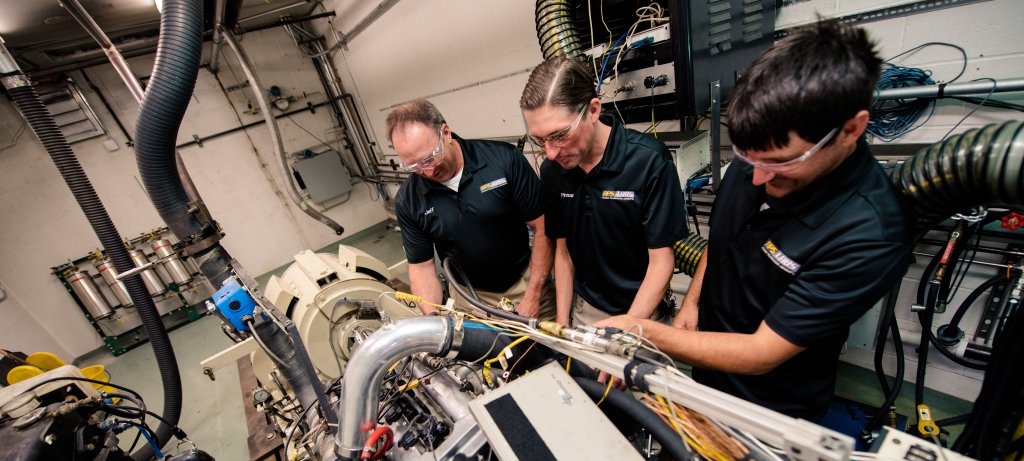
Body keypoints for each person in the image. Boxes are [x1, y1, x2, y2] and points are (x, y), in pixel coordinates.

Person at [595, 20, 913, 421]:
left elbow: (762, 353)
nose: (758, 178)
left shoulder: (871, 232)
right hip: (707, 371)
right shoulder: (760, 156)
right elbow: (724, 239)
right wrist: (692, 301)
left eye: (780, 164)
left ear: (850, 130)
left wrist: (644, 331)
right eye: (748, 158)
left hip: (771, 405)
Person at [520, 57, 688, 327]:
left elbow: (661, 261)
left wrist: (627, 331)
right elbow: (563, 252)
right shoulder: (554, 172)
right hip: (587, 311)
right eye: (540, 140)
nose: (550, 152)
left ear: (594, 110)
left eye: (560, 135)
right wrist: (563, 322)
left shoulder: (648, 161)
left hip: (644, 311)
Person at [389, 99, 555, 319]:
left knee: (551, 350)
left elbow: (543, 227)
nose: (427, 171)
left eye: (430, 157)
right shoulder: (409, 200)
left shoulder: (503, 159)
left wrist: (533, 296)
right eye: (414, 166)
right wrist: (433, 317)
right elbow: (421, 268)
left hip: (526, 283)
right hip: (470, 298)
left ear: (445, 132)